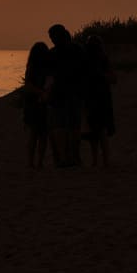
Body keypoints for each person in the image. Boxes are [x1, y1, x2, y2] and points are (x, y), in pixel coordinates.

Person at [45, 24, 86, 167]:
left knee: (60, 126)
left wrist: (47, 92)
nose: (51, 39)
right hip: (74, 91)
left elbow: (49, 76)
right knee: (73, 126)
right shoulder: (77, 49)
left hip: (60, 93)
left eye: (52, 36)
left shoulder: (53, 53)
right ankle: (74, 157)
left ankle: (64, 158)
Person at [85, 35, 116, 166]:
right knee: (101, 130)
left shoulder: (87, 61)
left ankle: (96, 160)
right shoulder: (103, 59)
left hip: (92, 98)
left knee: (94, 131)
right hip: (103, 97)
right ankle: (105, 160)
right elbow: (113, 78)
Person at [21, 42, 51, 169]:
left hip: (33, 103)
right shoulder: (45, 68)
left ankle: (32, 162)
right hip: (38, 102)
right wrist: (43, 92)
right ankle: (38, 162)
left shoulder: (32, 67)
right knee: (41, 134)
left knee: (35, 134)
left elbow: (27, 85)